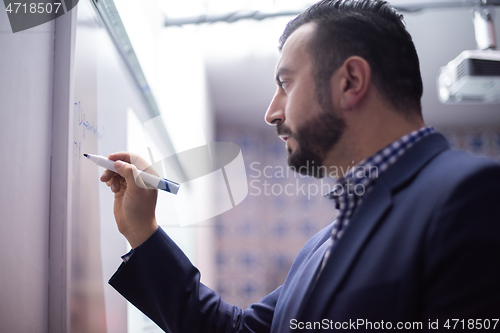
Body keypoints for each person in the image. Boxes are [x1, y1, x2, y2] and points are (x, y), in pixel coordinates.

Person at [101, 0, 500, 332]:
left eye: (286, 83)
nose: (271, 112)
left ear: (350, 82)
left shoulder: (472, 196)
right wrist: (144, 232)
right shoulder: (321, 245)